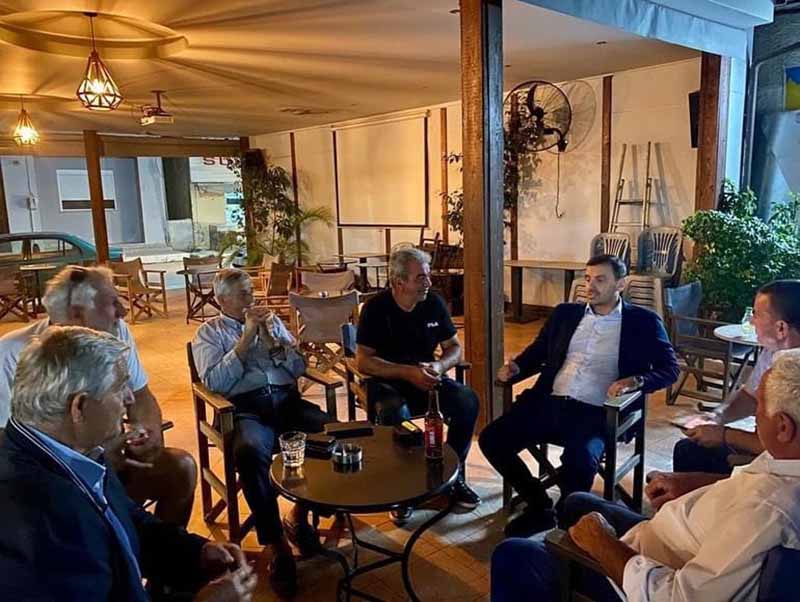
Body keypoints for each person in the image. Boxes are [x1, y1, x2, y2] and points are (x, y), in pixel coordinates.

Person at [491, 350, 800, 602]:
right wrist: (694, 483)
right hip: (667, 537)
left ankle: (562, 569)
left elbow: (677, 597)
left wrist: (602, 544)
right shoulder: (785, 459)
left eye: (759, 405)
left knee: (514, 555)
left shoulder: (768, 512)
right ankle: (552, 538)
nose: (754, 413)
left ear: (784, 427)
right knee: (576, 502)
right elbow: (751, 482)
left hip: (645, 576)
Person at [0, 326, 257, 602]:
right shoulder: (35, 520)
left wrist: (196, 552)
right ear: (80, 407)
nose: (129, 397)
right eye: (119, 387)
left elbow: (123, 519)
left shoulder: (73, 449)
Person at [480, 254, 679, 537]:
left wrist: (636, 381)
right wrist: (517, 367)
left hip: (597, 412)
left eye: (600, 280)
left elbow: (670, 369)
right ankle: (539, 505)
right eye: (587, 278)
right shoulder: (565, 314)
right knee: (492, 439)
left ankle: (566, 521)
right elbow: (539, 351)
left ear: (620, 284)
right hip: (548, 402)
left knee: (580, 461)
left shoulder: (643, 321)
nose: (590, 286)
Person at [0, 265, 197, 527]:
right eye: (113, 302)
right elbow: (6, 446)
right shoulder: (11, 354)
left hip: (115, 463)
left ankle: (154, 548)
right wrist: (93, 456)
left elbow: (140, 395)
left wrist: (149, 433)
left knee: (179, 469)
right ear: (77, 313)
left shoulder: (116, 330)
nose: (123, 311)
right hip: (48, 481)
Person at [192, 267, 334, 598]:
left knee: (333, 433)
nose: (251, 298)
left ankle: (299, 515)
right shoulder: (209, 333)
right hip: (246, 409)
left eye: (251, 291)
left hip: (286, 402)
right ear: (222, 299)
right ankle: (277, 544)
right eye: (243, 294)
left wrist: (272, 341)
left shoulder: (273, 323)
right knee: (250, 451)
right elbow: (215, 382)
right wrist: (245, 340)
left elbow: (298, 367)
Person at [355, 246, 481, 513]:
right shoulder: (375, 308)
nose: (429, 283)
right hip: (388, 381)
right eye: (421, 277)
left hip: (427, 378)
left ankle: (451, 476)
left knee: (467, 401)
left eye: (428, 275)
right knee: (394, 413)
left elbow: (454, 348)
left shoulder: (433, 303)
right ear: (398, 282)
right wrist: (406, 372)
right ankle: (403, 488)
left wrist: (439, 365)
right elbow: (363, 361)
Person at [673, 279, 800, 475]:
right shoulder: (771, 351)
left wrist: (726, 435)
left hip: (785, 469)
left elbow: (788, 449)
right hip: (766, 451)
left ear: (781, 328)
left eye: (756, 314)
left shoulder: (794, 372)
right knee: (689, 449)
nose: (751, 322)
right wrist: (717, 416)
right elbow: (750, 395)